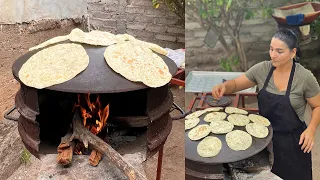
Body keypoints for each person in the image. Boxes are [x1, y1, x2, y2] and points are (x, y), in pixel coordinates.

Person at [212, 28, 320, 180]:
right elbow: (236, 84)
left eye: (279, 51)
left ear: (293, 53)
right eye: (271, 49)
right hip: (264, 139)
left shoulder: (304, 77)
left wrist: (311, 130)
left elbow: (317, 106)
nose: (273, 55)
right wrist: (224, 86)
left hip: (294, 144)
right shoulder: (262, 69)